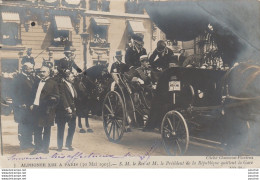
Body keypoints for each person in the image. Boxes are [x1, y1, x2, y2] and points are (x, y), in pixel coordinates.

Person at [30, 66, 59, 155]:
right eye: (40, 72)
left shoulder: (53, 83)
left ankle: (45, 148)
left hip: (47, 110)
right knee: (37, 129)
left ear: (48, 73)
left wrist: (49, 105)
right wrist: (32, 103)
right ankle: (37, 148)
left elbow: (57, 97)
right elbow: (33, 94)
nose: (41, 73)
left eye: (44, 72)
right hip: (36, 108)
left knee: (47, 130)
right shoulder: (37, 82)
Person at [12, 62, 35, 149]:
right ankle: (23, 143)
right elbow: (13, 93)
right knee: (23, 125)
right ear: (25, 69)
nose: (32, 70)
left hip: (30, 106)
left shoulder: (32, 77)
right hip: (22, 107)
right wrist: (20, 103)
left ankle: (29, 141)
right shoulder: (18, 78)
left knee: (30, 124)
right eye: (31, 68)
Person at [55, 62, 77, 152]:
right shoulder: (61, 85)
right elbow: (62, 97)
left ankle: (68, 144)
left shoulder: (72, 85)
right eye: (72, 77)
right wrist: (67, 107)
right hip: (63, 110)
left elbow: (74, 97)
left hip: (73, 110)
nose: (74, 78)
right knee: (61, 128)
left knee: (72, 127)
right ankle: (59, 146)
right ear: (67, 78)